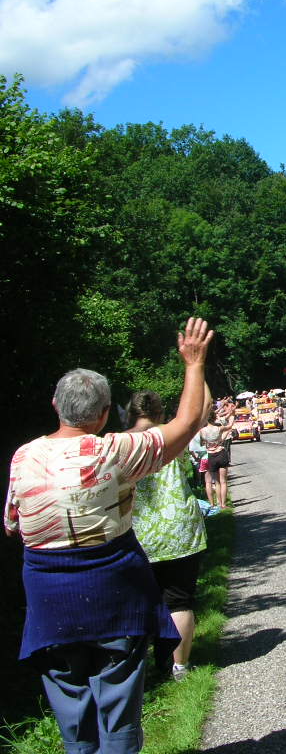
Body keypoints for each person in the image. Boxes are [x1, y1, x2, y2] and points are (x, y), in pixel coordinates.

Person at [4, 317, 214, 754]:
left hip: (49, 604)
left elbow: (12, 524)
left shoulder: (23, 457)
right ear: (103, 416)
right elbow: (188, 421)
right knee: (118, 714)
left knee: (73, 717)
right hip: (113, 597)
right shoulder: (114, 450)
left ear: (55, 406)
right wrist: (193, 362)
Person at [126, 391, 210, 681]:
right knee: (179, 601)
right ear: (161, 414)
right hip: (179, 530)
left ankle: (143, 667)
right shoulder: (171, 436)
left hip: (136, 533)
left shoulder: (118, 443)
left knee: (141, 602)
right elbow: (203, 409)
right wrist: (199, 368)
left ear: (130, 413)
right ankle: (180, 667)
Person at [199, 404, 235, 509]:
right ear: (214, 418)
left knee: (217, 482)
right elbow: (230, 425)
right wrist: (232, 415)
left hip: (211, 456)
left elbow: (202, 443)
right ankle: (223, 504)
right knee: (224, 481)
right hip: (221, 453)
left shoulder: (202, 431)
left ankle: (217, 503)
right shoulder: (219, 428)